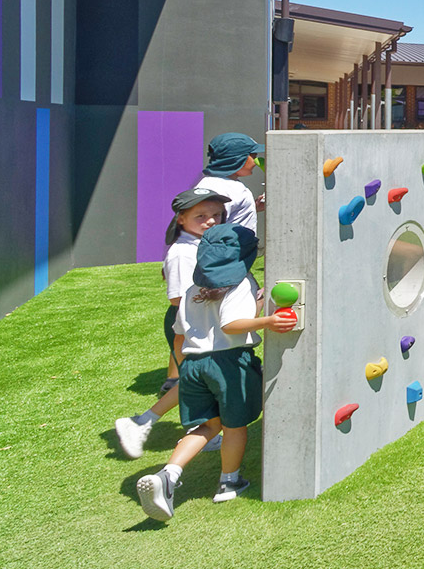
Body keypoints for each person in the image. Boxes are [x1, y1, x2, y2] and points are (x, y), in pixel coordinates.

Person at [135, 224, 293, 520]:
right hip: (229, 363)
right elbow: (230, 325)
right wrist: (268, 321)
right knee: (234, 426)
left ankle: (168, 475)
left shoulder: (192, 290)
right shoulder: (241, 283)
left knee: (207, 426)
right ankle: (229, 481)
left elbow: (180, 331)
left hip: (195, 364)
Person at [114, 189, 233, 461]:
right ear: (181, 219)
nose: (211, 221)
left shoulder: (204, 244)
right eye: (201, 216)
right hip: (189, 322)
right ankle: (144, 422)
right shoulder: (182, 252)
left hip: (197, 321)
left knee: (199, 380)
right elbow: (178, 298)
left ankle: (180, 427)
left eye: (216, 215)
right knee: (200, 379)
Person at [194, 133, 265, 233]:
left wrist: (253, 207)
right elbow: (206, 230)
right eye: (253, 157)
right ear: (237, 159)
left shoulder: (227, 183)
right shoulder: (218, 188)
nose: (256, 162)